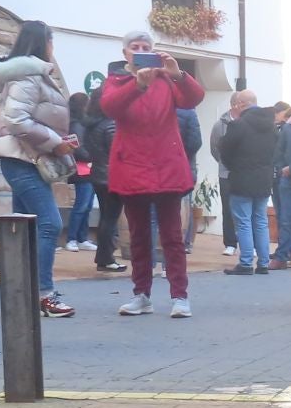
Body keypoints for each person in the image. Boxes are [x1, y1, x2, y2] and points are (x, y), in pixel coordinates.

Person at [99, 29, 202, 317]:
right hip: (133, 166)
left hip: (166, 165)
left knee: (172, 236)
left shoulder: (167, 79)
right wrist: (137, 85)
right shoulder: (117, 80)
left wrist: (178, 73)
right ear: (126, 54)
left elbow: (194, 99)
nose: (141, 50)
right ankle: (141, 294)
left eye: (146, 46)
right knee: (139, 235)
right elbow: (110, 106)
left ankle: (180, 296)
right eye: (135, 46)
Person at [0, 21, 77, 318]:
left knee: (22, 230)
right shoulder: (30, 76)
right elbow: (17, 121)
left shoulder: (28, 74)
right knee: (49, 223)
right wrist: (54, 142)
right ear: (44, 43)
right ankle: (44, 295)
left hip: (26, 157)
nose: (53, 49)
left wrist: (58, 140)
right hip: (24, 158)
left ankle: (21, 294)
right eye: (52, 42)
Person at [220, 91, 279, 274]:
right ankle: (263, 263)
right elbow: (275, 153)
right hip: (263, 179)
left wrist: (234, 167)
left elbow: (225, 151)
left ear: (241, 104)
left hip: (242, 178)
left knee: (243, 221)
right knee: (260, 220)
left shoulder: (238, 125)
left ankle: (246, 262)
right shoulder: (271, 126)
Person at [78, 81, 127, 273]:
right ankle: (106, 258)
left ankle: (103, 257)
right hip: (112, 177)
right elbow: (118, 151)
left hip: (97, 175)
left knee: (106, 218)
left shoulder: (92, 124)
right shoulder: (111, 124)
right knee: (110, 218)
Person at [208, 90, 245, 257]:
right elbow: (214, 148)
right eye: (243, 104)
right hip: (226, 173)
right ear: (235, 104)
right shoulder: (220, 125)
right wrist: (224, 163)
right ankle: (230, 243)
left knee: (246, 208)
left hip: (245, 172)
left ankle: (247, 243)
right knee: (228, 209)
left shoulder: (247, 123)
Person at [270, 100, 291, 271]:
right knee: (286, 218)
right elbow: (279, 152)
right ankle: (282, 256)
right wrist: (281, 168)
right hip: (288, 179)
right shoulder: (288, 129)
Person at [62, 92, 96, 251]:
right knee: (81, 204)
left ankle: (82, 238)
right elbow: (78, 148)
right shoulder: (77, 125)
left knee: (87, 205)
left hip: (86, 169)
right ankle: (72, 238)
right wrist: (92, 156)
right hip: (82, 169)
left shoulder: (80, 123)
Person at [174, 103, 203, 254]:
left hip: (159, 168)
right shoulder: (189, 112)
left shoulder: (155, 105)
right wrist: (183, 155)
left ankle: (151, 257)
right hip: (184, 168)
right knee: (181, 208)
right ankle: (184, 244)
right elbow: (195, 142)